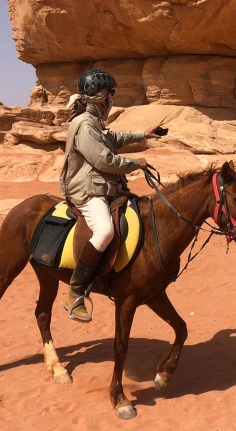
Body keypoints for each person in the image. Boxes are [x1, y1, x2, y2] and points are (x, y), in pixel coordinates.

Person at [59, 69, 163, 322]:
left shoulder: (93, 121)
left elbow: (111, 139)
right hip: (85, 190)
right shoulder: (84, 124)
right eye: (111, 96)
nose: (112, 101)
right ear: (102, 97)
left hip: (105, 187)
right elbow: (103, 160)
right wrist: (135, 163)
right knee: (105, 230)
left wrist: (143, 134)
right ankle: (75, 292)